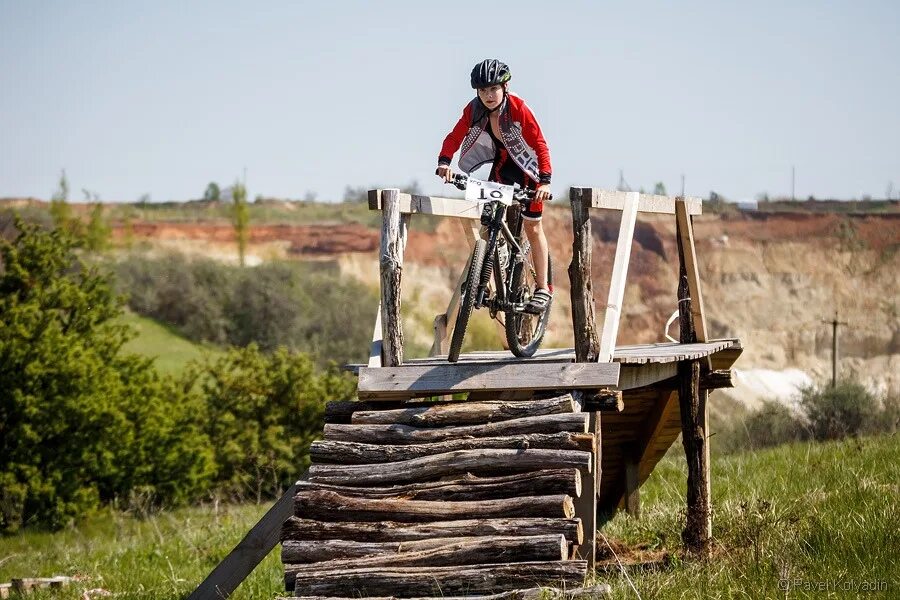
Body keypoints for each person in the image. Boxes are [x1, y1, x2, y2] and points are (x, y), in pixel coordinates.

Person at [436, 58, 553, 314]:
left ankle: (543, 288)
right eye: (483, 90)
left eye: (493, 89)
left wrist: (545, 180)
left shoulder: (518, 107)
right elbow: (455, 135)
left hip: (529, 169)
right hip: (502, 166)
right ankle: (485, 278)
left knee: (533, 226)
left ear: (505, 86)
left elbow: (540, 143)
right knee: (489, 222)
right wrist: (445, 162)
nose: (488, 95)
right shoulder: (474, 109)